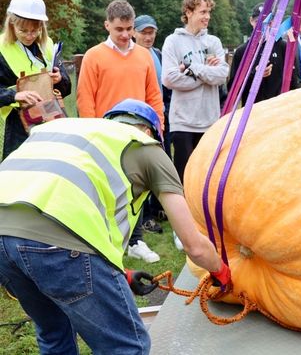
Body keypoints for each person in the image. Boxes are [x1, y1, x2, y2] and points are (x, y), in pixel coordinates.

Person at [0, 99, 231, 354]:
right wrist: (222, 273)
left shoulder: (71, 130)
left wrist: (123, 274)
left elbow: (63, 198)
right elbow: (194, 246)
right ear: (149, 131)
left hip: (3, 238)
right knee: (126, 347)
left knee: (55, 333)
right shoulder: (145, 146)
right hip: (60, 243)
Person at [77, 0, 164, 263]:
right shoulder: (94, 56)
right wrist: (91, 134)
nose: (125, 35)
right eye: (119, 29)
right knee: (103, 190)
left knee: (135, 189)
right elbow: (85, 98)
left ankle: (135, 240)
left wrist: (157, 126)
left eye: (129, 29)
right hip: (103, 135)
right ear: (107, 26)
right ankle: (101, 241)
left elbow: (153, 94)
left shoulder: (144, 55)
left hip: (136, 135)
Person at [161, 0, 229, 182]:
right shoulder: (173, 41)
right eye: (202, 12)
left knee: (206, 176)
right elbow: (169, 78)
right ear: (188, 12)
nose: (207, 16)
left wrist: (192, 68)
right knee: (184, 176)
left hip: (209, 121)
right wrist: (206, 73)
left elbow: (222, 75)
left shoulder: (213, 42)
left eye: (209, 12)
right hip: (183, 121)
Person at [0, 0, 71, 160]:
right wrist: (15, 95)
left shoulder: (47, 46)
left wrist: (59, 79)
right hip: (19, 127)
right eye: (23, 30)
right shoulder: (1, 48)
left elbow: (66, 87)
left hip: (51, 118)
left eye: (35, 30)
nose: (30, 36)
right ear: (11, 24)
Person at [133, 14, 172, 235]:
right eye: (144, 32)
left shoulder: (157, 54)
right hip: (140, 120)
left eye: (151, 32)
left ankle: (158, 207)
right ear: (134, 33)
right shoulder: (133, 55)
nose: (148, 37)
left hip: (159, 117)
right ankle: (144, 216)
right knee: (142, 169)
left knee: (160, 164)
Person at [227, 3, 298, 105]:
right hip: (251, 112)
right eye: (259, 22)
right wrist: (254, 74)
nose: (264, 27)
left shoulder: (284, 48)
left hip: (279, 110)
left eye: (269, 22)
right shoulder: (242, 51)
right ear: (251, 21)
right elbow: (233, 89)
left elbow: (293, 83)